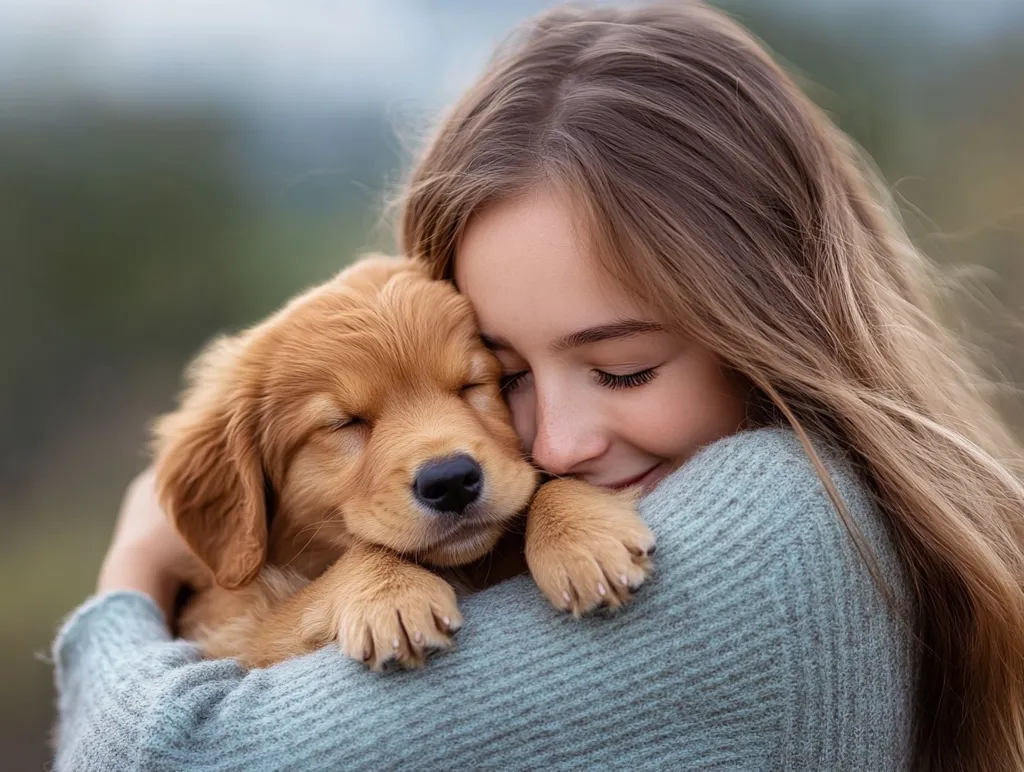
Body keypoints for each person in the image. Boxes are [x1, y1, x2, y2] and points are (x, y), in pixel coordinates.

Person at [52, 3, 1024, 771]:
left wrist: (135, 564)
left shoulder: (773, 530)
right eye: (505, 374)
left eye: (623, 369)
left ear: (773, 326)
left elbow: (170, 754)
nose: (551, 447)